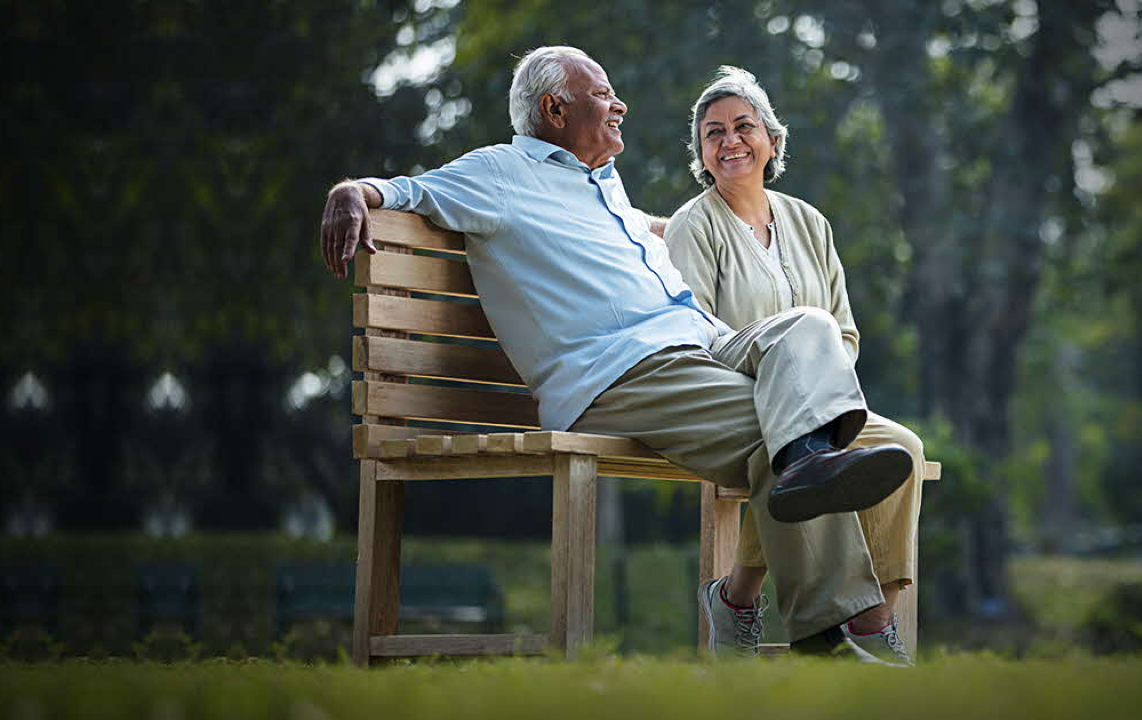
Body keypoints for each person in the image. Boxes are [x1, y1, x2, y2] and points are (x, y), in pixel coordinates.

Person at [319, 46, 911, 663]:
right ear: (553, 108)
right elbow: (411, 190)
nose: (618, 104)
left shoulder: (600, 184)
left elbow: (643, 233)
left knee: (807, 329)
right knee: (779, 435)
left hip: (699, 343)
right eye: (602, 93)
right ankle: (842, 632)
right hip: (620, 372)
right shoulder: (500, 173)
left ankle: (809, 473)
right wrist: (352, 191)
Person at [664, 67, 926, 665]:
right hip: (734, 394)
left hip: (816, 406)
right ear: (702, 154)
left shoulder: (811, 222)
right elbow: (693, 332)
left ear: (772, 141)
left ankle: (867, 618)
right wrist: (782, 385)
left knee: (904, 450)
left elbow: (845, 332)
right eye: (712, 133)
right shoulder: (694, 225)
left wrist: (813, 393)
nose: (729, 140)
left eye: (742, 126)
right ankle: (822, 628)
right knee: (778, 449)